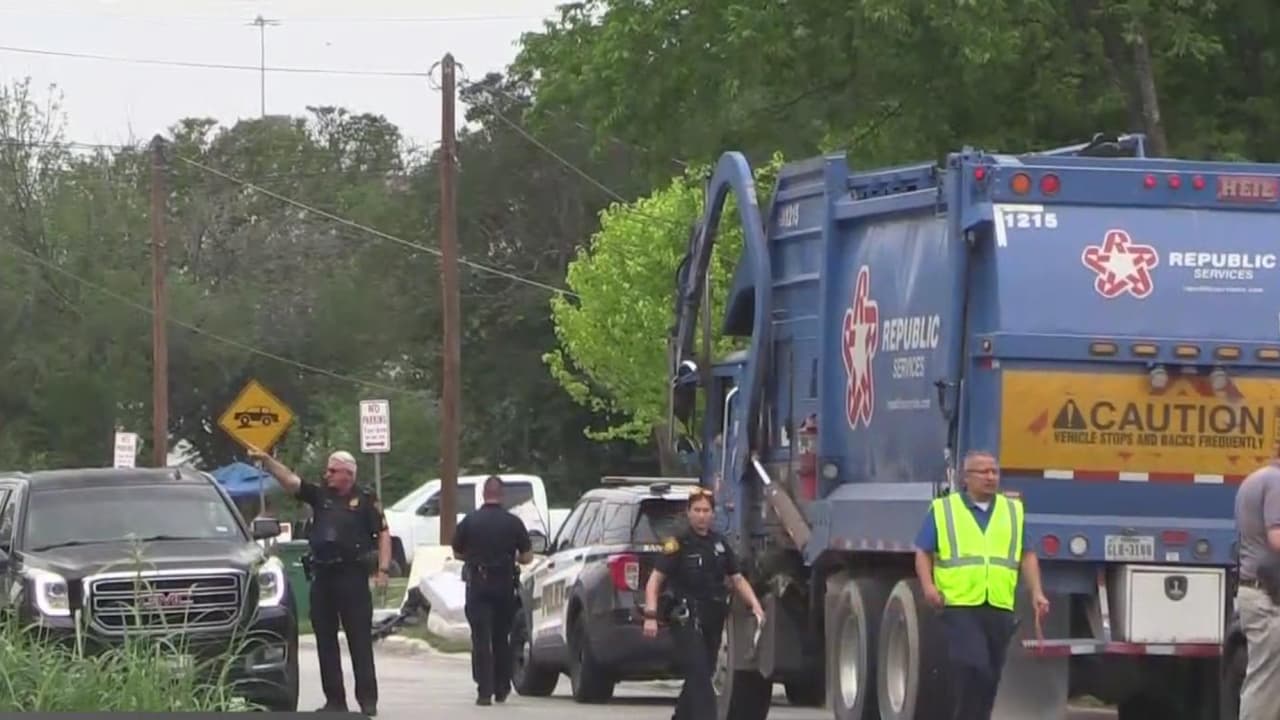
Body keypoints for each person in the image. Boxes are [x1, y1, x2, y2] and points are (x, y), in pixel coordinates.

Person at [251, 446, 391, 716]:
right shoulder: (320, 495)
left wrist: (383, 569)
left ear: (347, 474)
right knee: (325, 641)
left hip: (352, 576)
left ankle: (367, 700)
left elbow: (384, 533)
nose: (327, 474)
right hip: (323, 576)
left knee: (359, 640)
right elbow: (291, 482)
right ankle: (335, 701)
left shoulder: (365, 499)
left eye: (332, 470)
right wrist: (268, 461)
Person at [913, 449, 1049, 720]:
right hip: (959, 604)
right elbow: (923, 552)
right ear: (966, 478)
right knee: (972, 665)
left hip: (999, 605)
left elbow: (1027, 554)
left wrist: (1037, 592)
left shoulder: (1012, 511)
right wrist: (928, 587)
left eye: (994, 472)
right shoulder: (944, 510)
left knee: (990, 677)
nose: (990, 477)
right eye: (983, 472)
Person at [642, 486, 765, 720]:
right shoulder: (677, 543)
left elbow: (737, 579)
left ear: (713, 514)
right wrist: (650, 615)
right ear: (688, 512)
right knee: (700, 678)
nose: (701, 515)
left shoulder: (719, 544)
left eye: (706, 510)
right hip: (686, 619)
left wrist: (756, 606)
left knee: (701, 675)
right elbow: (654, 581)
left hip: (713, 619)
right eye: (697, 510)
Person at [451, 475, 535, 706]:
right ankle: (502, 687)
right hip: (504, 585)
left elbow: (457, 552)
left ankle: (484, 691)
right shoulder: (513, 522)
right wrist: (512, 557)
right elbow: (527, 556)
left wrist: (473, 556)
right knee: (501, 637)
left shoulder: (470, 521)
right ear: (502, 495)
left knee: (480, 638)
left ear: (483, 494)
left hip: (478, 584)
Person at [1232, 445, 1280, 720]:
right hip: (1267, 599)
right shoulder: (1277, 482)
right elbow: (1277, 537)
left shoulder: (1255, 479)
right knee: (1265, 684)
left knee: (1266, 681)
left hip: (1255, 592)